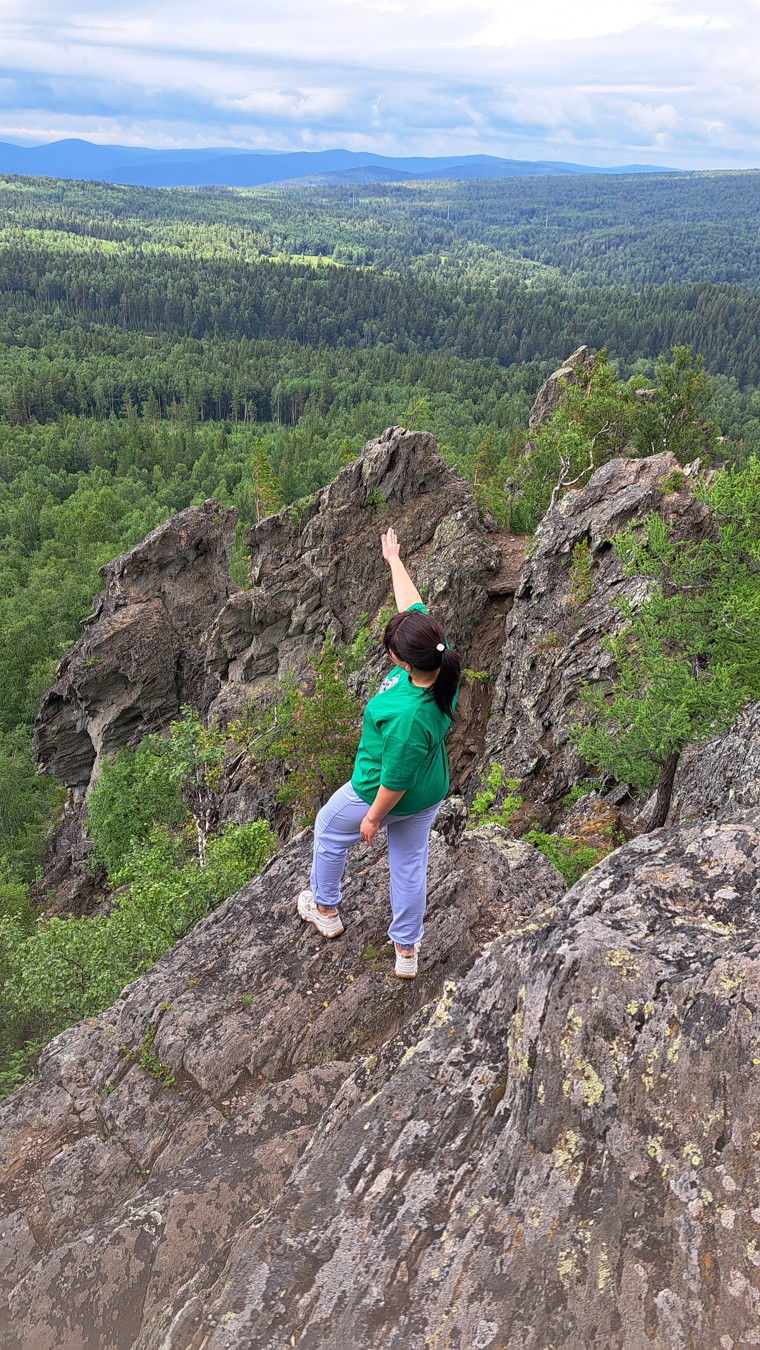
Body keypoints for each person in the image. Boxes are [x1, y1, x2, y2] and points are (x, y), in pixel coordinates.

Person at [297, 526, 461, 978]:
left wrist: (371, 819)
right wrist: (394, 559)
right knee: (409, 864)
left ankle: (324, 908)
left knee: (329, 830)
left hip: (380, 790)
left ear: (406, 662)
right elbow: (413, 608)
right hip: (430, 791)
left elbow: (395, 778)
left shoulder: (409, 716)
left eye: (392, 650)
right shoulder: (441, 662)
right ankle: (406, 951)